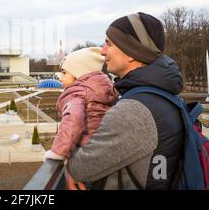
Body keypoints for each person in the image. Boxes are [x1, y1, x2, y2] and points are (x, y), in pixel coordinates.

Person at [67, 12, 185, 190]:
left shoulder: (135, 110)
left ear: (131, 52)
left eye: (109, 43)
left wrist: (67, 142)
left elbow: (81, 168)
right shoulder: (161, 95)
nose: (103, 51)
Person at [43, 47, 118, 189]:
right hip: (104, 151)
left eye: (64, 73)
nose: (61, 77)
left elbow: (73, 120)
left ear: (79, 75)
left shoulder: (77, 94)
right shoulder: (102, 91)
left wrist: (58, 152)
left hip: (86, 155)